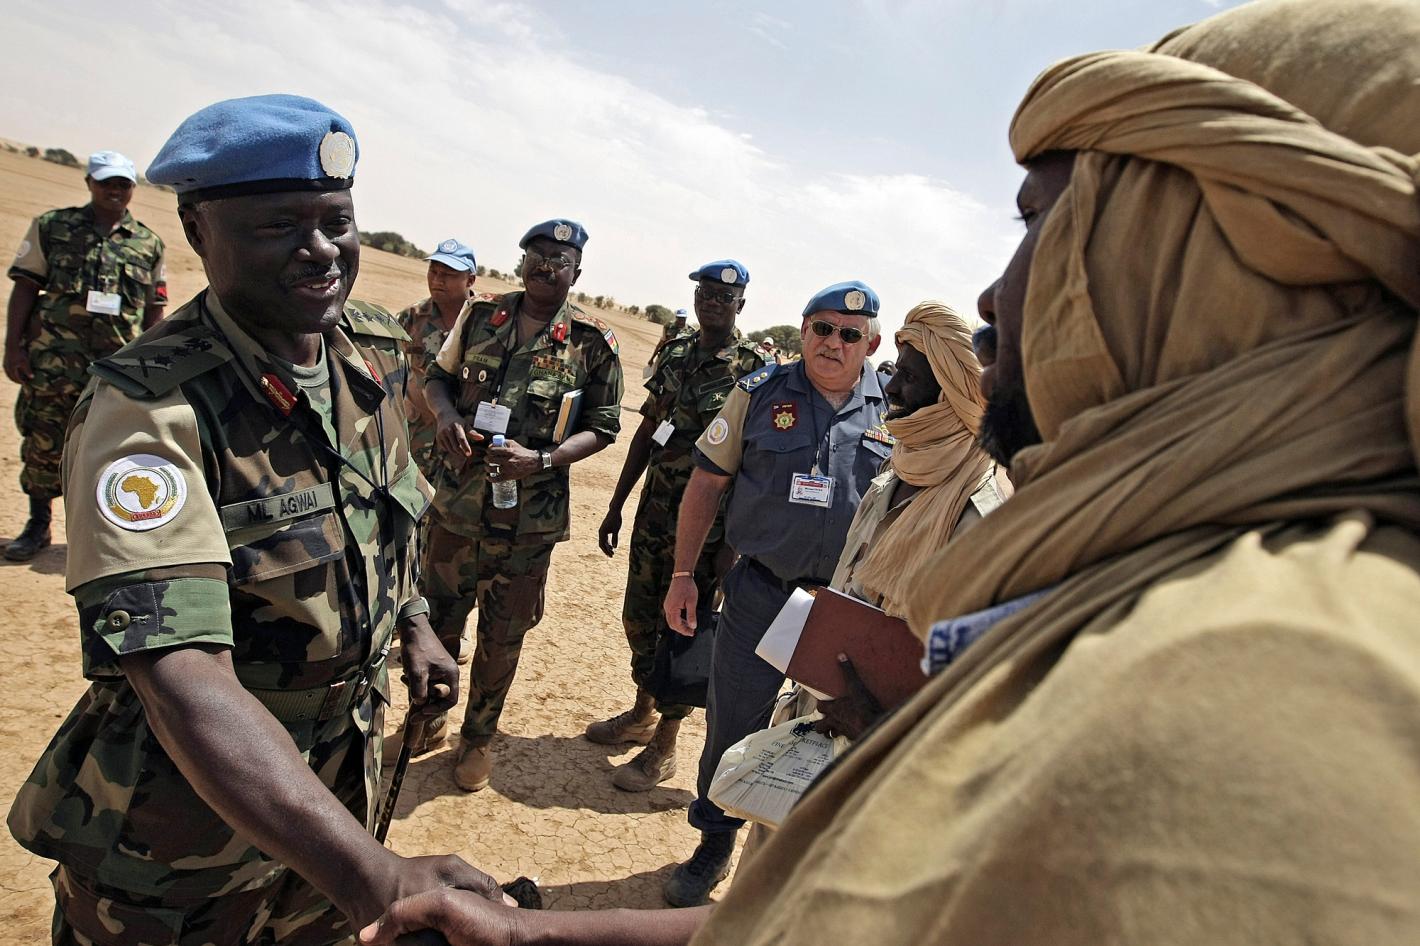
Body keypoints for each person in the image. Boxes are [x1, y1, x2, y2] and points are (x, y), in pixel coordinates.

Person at [356, 1, 1420, 943]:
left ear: (1194, 249)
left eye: (1041, 220)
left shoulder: (1273, 672)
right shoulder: (1159, 582)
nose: (998, 297)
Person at [6, 94, 504, 946]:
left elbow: (385, 502)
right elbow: (179, 673)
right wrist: (373, 877)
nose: (321, 252)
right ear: (199, 232)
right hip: (181, 841)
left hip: (334, 802)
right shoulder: (149, 405)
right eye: (280, 225)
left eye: (335, 221)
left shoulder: (370, 350)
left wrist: (415, 619)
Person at [659, 280, 893, 906]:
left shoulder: (897, 410)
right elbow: (707, 484)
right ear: (803, 330)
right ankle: (713, 841)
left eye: (850, 334)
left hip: (847, 607)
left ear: (870, 341)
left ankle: (795, 858)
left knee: (831, 731)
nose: (833, 343)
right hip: (762, 594)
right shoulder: (759, 393)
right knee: (734, 723)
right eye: (821, 329)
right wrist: (685, 576)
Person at [418, 219, 623, 790]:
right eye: (538, 253)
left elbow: (604, 426)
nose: (547, 265)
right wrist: (448, 416)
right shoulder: (482, 316)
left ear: (576, 272)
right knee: (439, 625)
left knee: (502, 639)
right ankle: (428, 719)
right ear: (522, 261)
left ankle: (477, 739)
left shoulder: (592, 342)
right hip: (458, 508)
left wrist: (546, 461)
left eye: (560, 258)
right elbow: (439, 378)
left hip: (528, 523)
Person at [587, 259, 767, 792]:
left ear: (740, 306)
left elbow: (753, 468)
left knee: (684, 631)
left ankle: (665, 743)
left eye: (723, 296)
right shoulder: (678, 353)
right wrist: (618, 502)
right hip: (654, 515)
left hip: (708, 533)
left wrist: (732, 545)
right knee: (639, 617)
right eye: (704, 293)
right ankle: (642, 712)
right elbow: (648, 433)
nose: (711, 301)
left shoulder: (753, 373)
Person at [4, 150, 168, 561]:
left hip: (114, 369)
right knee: (43, 443)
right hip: (52, 361)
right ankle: (38, 523)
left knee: (112, 451)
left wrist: (153, 369)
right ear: (89, 183)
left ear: (132, 189)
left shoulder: (148, 244)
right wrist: (13, 347)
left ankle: (95, 533)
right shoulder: (52, 227)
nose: (114, 190)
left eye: (123, 184)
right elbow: (25, 287)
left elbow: (154, 311)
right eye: (106, 182)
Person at [396, 238, 478, 485]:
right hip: (414, 439)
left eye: (449, 274)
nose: (437, 280)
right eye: (434, 271)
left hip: (463, 449)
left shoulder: (487, 323)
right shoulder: (411, 318)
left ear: (470, 280)